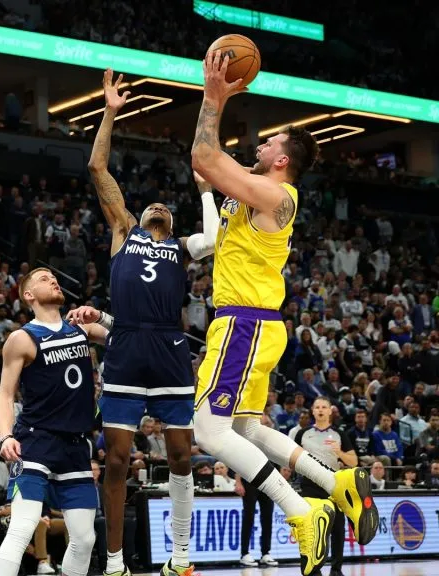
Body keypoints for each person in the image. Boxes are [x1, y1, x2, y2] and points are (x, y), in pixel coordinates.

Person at [190, 49, 376, 576]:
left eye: (269, 143)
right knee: (246, 428)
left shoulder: (277, 197)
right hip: (252, 324)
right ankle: (335, 482)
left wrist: (214, 95)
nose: (260, 145)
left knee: (208, 431)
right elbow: (205, 163)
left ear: (280, 161)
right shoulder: (255, 192)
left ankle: (302, 512)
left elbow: (204, 156)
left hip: (244, 323)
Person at [84, 68, 218, 576]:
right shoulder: (124, 229)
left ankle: (180, 558)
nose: (158, 204)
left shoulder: (180, 247)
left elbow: (215, 239)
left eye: (166, 205)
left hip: (168, 348)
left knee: (181, 455)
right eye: (152, 204)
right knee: (117, 458)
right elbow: (97, 166)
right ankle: (115, 562)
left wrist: (204, 190)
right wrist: (109, 112)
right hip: (126, 346)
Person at [0, 268, 108, 576]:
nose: (54, 280)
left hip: (76, 443)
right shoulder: (22, 338)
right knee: (23, 526)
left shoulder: (81, 327)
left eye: (54, 278)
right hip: (36, 440)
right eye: (44, 279)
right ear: (28, 295)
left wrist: (100, 316)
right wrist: (5, 436)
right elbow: (5, 395)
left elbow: (127, 338)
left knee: (85, 538)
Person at [294, 398, 357, 576]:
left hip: (333, 486)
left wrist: (339, 453)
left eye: (324, 407)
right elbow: (290, 458)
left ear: (330, 411)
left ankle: (336, 570)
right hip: (310, 486)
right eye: (317, 407)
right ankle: (313, 569)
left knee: (337, 529)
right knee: (312, 530)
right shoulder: (302, 434)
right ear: (312, 411)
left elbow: (353, 461)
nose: (320, 410)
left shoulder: (339, 434)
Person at [238, 415, 278, 568]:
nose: (266, 424)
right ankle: (244, 553)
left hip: (268, 480)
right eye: (264, 422)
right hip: (249, 480)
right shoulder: (247, 437)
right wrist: (238, 481)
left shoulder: (272, 440)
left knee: (267, 517)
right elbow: (237, 459)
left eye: (268, 422)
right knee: (248, 517)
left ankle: (266, 553)